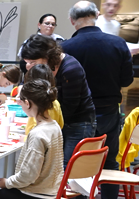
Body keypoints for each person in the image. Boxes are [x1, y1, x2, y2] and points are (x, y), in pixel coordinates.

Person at [61, 0, 134, 199]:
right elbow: (126, 80)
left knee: (78, 161)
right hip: (109, 111)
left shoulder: (66, 47)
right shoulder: (118, 43)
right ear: (96, 15)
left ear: (72, 20)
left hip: (78, 114)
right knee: (110, 159)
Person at [0, 78, 64, 199]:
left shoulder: (38, 134)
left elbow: (28, 175)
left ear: (27, 103)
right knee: (0, 197)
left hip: (36, 192)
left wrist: (7, 183)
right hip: (52, 190)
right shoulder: (54, 126)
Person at [21, 35, 95, 165]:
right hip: (60, 121)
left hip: (78, 123)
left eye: (33, 62)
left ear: (47, 56)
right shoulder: (48, 67)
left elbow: (69, 107)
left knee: (68, 169)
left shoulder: (70, 69)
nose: (30, 66)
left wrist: (44, 122)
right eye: (27, 62)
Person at [22, 64, 64, 136]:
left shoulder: (37, 105)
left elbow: (38, 134)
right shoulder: (54, 102)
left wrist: (26, 139)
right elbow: (61, 124)